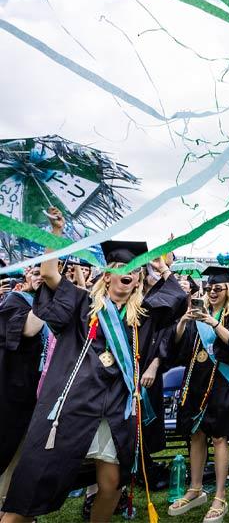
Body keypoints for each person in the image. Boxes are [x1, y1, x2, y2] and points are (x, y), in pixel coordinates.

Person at [1, 207, 185, 523]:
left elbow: (178, 298)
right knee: (30, 490)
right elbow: (48, 275)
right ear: (107, 273)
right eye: (121, 266)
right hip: (71, 409)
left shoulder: (143, 317)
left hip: (114, 412)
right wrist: (56, 232)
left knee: (111, 485)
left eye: (136, 268)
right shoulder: (81, 303)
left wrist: (163, 268)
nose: (129, 272)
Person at [167, 266, 229, 523]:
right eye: (210, 288)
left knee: (219, 437)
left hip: (221, 382)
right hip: (195, 381)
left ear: (228, 290)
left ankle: (220, 495)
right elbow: (179, 347)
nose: (212, 292)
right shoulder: (195, 312)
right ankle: (195, 489)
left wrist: (212, 322)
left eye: (218, 288)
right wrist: (182, 322)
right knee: (196, 435)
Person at [0, 266, 45, 507]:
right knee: (8, 448)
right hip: (12, 390)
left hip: (37, 391)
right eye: (37, 272)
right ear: (26, 275)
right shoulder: (13, 301)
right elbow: (29, 328)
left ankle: (11, 506)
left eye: (46, 273)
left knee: (25, 454)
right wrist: (45, 295)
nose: (41, 277)